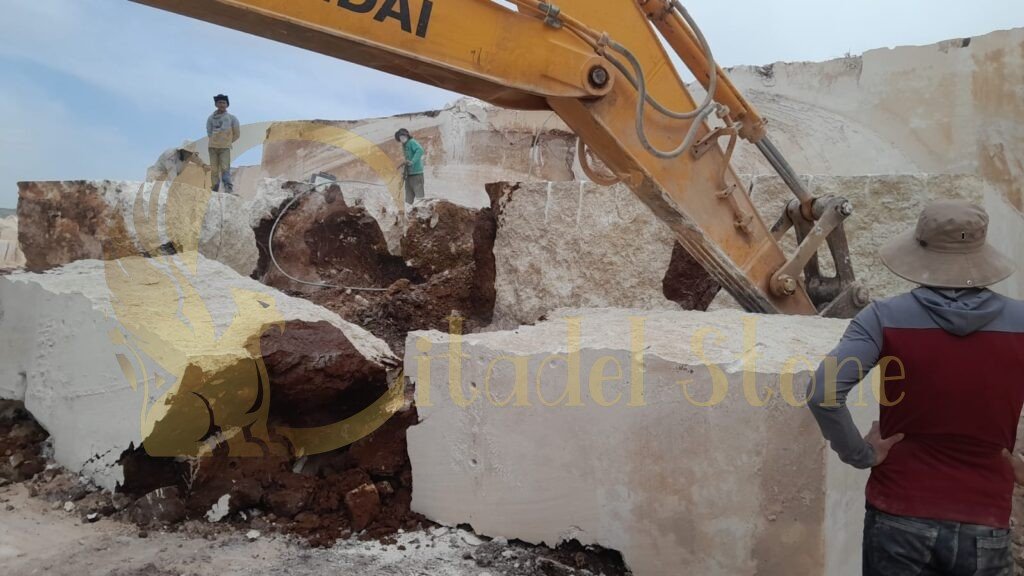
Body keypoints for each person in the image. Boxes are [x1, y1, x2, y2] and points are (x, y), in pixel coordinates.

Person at [807, 199, 1022, 576]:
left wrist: (861, 453)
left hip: (899, 514)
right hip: (985, 516)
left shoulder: (882, 317)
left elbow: (823, 391)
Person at [207, 94, 240, 193]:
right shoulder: (210, 118)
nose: (222, 104)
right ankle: (214, 188)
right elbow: (209, 132)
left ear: (227, 105)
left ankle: (228, 188)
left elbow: (237, 134)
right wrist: (215, 140)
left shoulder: (232, 118)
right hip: (213, 146)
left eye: (224, 103)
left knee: (225, 168)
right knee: (214, 169)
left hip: (225, 147)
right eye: (220, 102)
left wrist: (227, 141)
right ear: (216, 104)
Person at [395, 128, 425, 204]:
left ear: (407, 136)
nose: (402, 138)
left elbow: (420, 150)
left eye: (403, 136)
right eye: (400, 137)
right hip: (408, 175)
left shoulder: (412, 142)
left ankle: (421, 211)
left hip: (416, 174)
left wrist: (412, 162)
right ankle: (408, 211)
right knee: (408, 198)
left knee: (420, 197)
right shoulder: (404, 145)